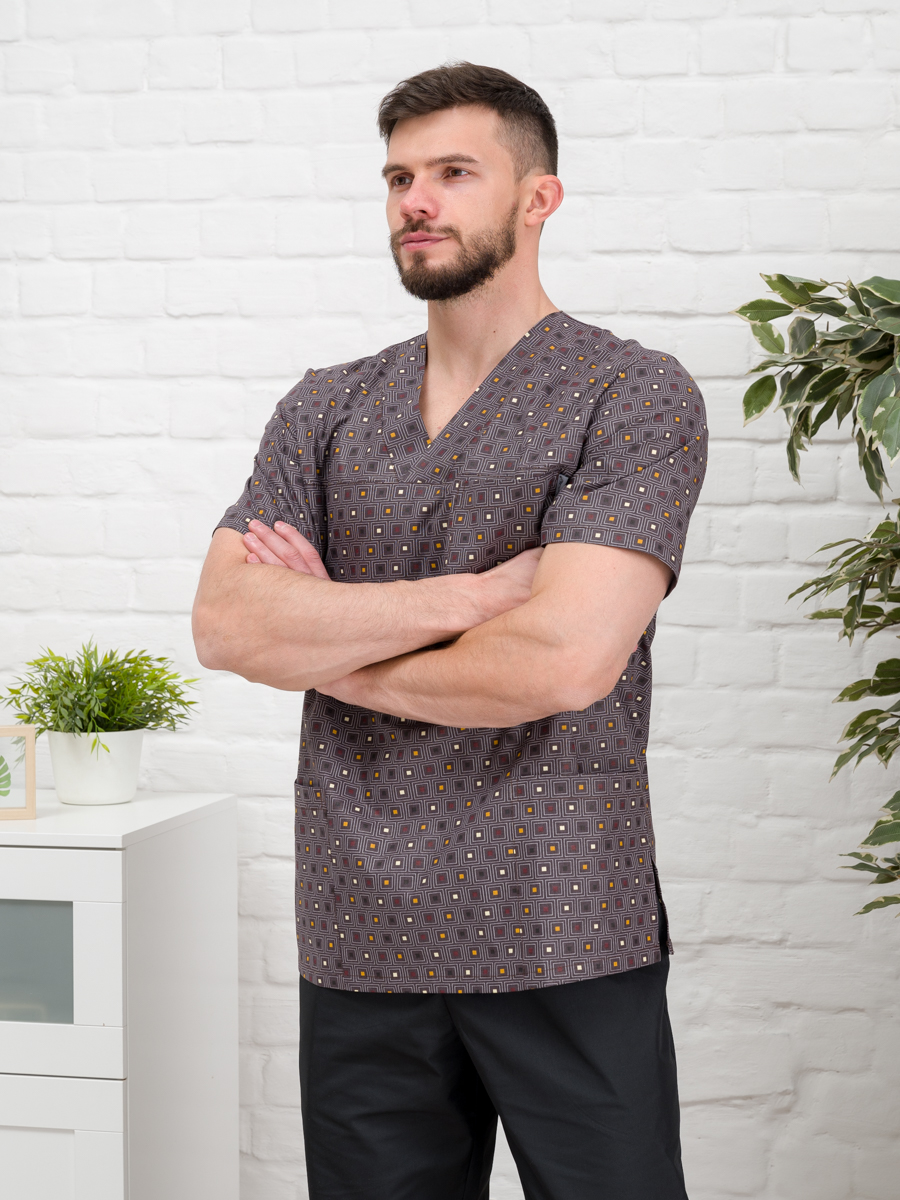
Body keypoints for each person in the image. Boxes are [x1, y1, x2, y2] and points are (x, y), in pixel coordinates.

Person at [193, 61, 707, 1200]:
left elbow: (564, 660)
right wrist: (475, 599)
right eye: (399, 178)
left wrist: (330, 650)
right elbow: (227, 625)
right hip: (360, 927)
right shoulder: (325, 407)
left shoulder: (631, 395)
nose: (416, 201)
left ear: (538, 198)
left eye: (455, 173)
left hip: (563, 921)